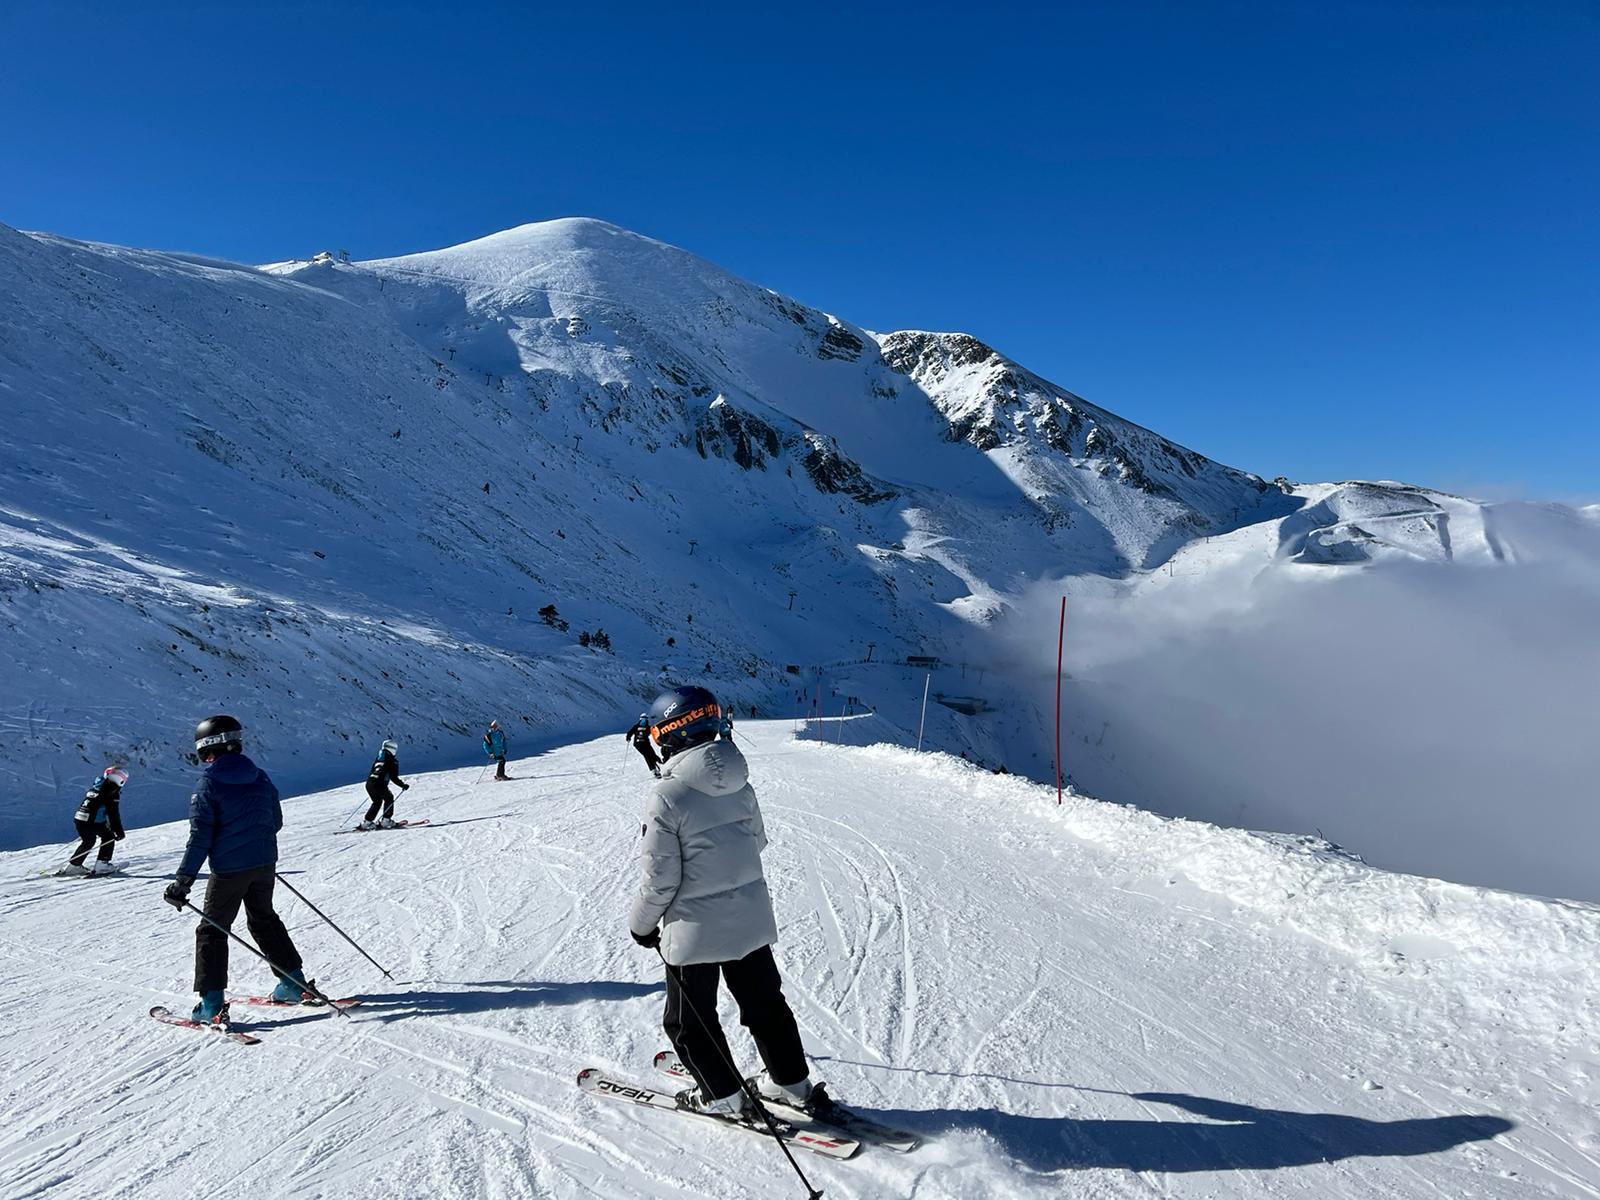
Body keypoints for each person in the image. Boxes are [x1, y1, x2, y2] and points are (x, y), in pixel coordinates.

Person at [628, 684, 823, 1118]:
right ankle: (791, 1084)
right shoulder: (740, 781)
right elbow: (758, 841)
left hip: (694, 930)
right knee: (765, 1005)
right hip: (750, 917)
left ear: (671, 733)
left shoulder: (666, 795)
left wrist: (641, 925)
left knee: (688, 1022)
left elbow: (660, 880)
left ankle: (723, 1097)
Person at [162, 715, 314, 1026]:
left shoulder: (209, 783)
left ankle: (211, 1005)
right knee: (264, 919)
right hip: (263, 863)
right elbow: (276, 821)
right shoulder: (259, 776)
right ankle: (293, 984)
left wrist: (183, 881)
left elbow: (200, 837)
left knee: (211, 930)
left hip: (229, 871)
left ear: (206, 750)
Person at [62, 765, 128, 875]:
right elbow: (113, 814)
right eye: (122, 776)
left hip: (79, 819)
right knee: (109, 837)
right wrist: (118, 831)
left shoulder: (97, 785)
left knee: (88, 841)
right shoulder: (112, 790)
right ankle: (102, 865)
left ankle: (74, 866)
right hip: (93, 821)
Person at [360, 738, 410, 829]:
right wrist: (403, 785)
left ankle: (367, 822)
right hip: (379, 784)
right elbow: (393, 777)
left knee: (377, 801)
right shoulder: (392, 761)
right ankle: (386, 821)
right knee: (389, 798)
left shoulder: (379, 759)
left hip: (369, 783)